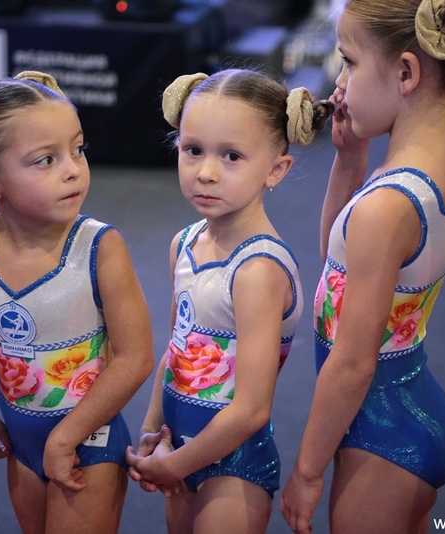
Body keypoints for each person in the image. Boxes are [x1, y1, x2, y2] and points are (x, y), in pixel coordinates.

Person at [279, 0, 445, 532]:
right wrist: (350, 160)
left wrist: (307, 471)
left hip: (380, 432)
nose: (339, 83)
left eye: (349, 62)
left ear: (406, 73)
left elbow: (352, 364)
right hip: (411, 396)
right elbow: (340, 262)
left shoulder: (389, 205)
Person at [0, 71, 154, 534]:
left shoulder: (99, 247)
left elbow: (136, 357)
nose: (73, 169)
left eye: (78, 149)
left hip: (88, 441)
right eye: (46, 160)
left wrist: (66, 437)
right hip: (22, 441)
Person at [124, 69, 332, 534]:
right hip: (177, 446)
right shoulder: (184, 244)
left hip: (233, 467)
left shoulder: (258, 270)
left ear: (276, 169)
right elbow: (177, 348)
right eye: (193, 150)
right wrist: (152, 427)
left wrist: (175, 465)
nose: (206, 172)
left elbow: (252, 408)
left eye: (231, 156)